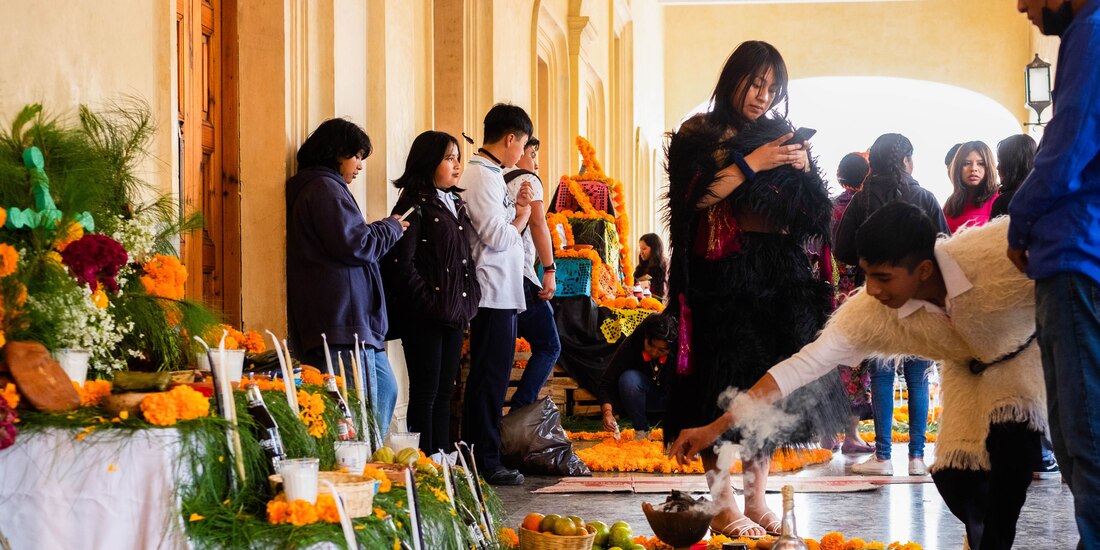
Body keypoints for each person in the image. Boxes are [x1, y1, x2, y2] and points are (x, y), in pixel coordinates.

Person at [671, 202, 1047, 550]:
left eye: (883, 277)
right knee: (955, 477)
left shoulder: (994, 255)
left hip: (1026, 357)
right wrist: (715, 428)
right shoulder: (870, 311)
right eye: (867, 275)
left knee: (1009, 460)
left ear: (924, 271)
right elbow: (801, 366)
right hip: (967, 372)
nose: (872, 290)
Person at [664, 40, 846, 538]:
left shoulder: (778, 133)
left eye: (772, 87)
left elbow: (813, 217)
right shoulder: (700, 133)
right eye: (756, 82)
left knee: (767, 390)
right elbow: (694, 199)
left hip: (778, 276)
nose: (762, 95)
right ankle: (723, 505)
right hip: (721, 279)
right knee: (720, 387)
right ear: (733, 78)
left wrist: (804, 174)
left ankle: (757, 499)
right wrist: (756, 162)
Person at [1009, 1, 1100, 544]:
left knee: (1083, 435)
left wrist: (1019, 222)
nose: (1023, 5)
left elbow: (1065, 151)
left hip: (1076, 252)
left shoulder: (1089, 33)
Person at [834, 133, 949, 476]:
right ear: (907, 161)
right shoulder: (925, 197)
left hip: (877, 297)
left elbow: (841, 250)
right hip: (919, 296)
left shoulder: (861, 200)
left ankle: (883, 458)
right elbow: (944, 245)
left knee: (881, 374)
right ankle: (916, 457)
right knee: (917, 375)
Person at [286, 118, 407, 441]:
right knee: (357, 414)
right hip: (342, 321)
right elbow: (357, 244)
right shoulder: (323, 189)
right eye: (357, 157)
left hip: (353, 322)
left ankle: (369, 466)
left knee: (383, 391)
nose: (360, 167)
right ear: (337, 153)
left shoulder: (326, 187)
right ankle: (361, 474)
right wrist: (391, 227)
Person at [382, 131, 481, 457]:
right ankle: (424, 461)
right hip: (424, 317)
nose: (457, 165)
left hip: (453, 312)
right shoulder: (414, 205)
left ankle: (442, 459)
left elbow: (461, 258)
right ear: (428, 162)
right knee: (424, 393)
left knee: (444, 392)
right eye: (449, 158)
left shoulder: (453, 202)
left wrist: (468, 297)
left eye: (457, 157)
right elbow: (401, 266)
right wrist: (430, 304)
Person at [461, 103, 534, 486]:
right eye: (522, 146)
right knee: (489, 380)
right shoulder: (482, 177)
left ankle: (484, 453)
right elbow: (496, 235)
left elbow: (504, 230)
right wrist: (520, 217)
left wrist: (518, 211)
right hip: (491, 294)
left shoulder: (491, 175)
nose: (522, 155)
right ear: (510, 139)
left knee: (492, 377)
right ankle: (485, 460)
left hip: (501, 292)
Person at [502, 137, 561, 410]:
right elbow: (538, 224)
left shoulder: (495, 178)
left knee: (495, 355)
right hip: (523, 278)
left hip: (495, 279)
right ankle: (519, 412)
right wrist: (549, 269)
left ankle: (490, 424)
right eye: (532, 153)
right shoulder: (528, 180)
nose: (536, 163)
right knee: (549, 345)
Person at [829, 152, 874, 454]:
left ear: (839, 175)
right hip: (858, 291)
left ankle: (825, 435)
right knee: (855, 363)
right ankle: (851, 436)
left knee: (828, 360)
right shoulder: (867, 204)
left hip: (829, 290)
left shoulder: (829, 207)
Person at [599, 314, 677, 439]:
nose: (654, 352)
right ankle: (641, 432)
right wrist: (607, 413)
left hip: (673, 400)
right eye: (650, 345)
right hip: (646, 398)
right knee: (629, 379)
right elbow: (607, 383)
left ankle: (677, 431)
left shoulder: (680, 351)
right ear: (645, 337)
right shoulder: (632, 344)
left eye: (661, 350)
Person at [944, 141, 1000, 233]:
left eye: (981, 163)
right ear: (958, 167)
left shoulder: (998, 201)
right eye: (966, 163)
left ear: (989, 167)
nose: (973, 168)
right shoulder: (950, 205)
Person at [989, 134, 1037, 218]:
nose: (997, 167)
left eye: (1000, 162)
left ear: (1012, 166)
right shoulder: (1046, 197)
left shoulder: (1005, 202)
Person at [634, 233, 668, 301]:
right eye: (640, 248)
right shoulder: (642, 267)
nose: (641, 252)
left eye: (644, 248)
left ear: (654, 249)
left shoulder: (665, 267)